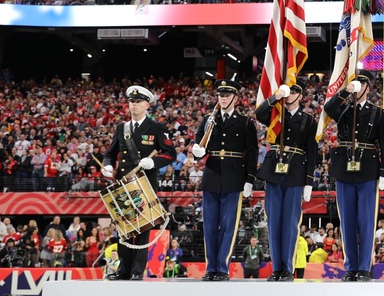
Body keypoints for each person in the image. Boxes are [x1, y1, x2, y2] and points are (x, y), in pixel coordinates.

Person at [101, 85, 177, 280]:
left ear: (147, 105)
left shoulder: (157, 127)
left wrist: (153, 162)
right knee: (123, 228)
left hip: (144, 183)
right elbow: (110, 153)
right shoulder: (122, 128)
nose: (133, 105)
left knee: (143, 227)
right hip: (123, 183)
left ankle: (137, 270)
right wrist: (107, 166)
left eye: (138, 102)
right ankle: (123, 270)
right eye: (131, 102)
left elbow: (171, 154)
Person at [323, 72, 384, 282]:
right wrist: (345, 91)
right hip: (344, 167)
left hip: (368, 169)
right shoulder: (343, 108)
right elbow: (328, 108)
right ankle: (351, 266)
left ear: (368, 88)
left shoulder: (377, 113)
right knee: (348, 221)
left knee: (366, 220)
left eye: (361, 84)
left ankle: (364, 267)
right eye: (356, 83)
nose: (358, 86)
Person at [192, 78, 258, 281]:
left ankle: (222, 267)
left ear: (235, 98)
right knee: (210, 226)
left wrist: (250, 179)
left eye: (227, 95)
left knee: (228, 226)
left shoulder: (245, 122)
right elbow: (199, 147)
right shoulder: (208, 121)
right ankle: (210, 268)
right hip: (212, 175)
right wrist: (196, 152)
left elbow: (252, 153)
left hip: (234, 177)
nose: (223, 98)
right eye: (220, 95)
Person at [256, 81, 318, 282]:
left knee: (290, 223)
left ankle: (288, 268)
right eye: (288, 92)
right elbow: (259, 113)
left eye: (294, 92)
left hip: (295, 173)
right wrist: (275, 97)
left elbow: (312, 152)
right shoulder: (275, 115)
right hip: (274, 172)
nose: (290, 95)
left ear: (301, 96)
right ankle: (277, 268)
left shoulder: (308, 120)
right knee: (273, 222)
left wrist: (309, 181)